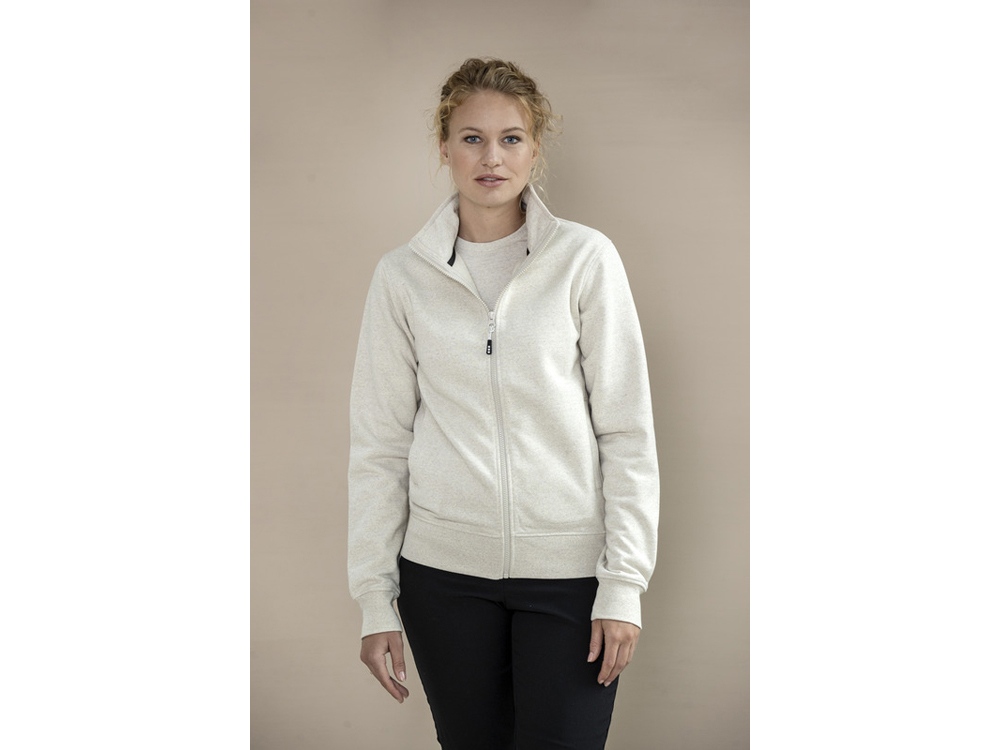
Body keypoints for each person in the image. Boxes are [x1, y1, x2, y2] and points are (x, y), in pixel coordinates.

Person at [348, 57, 659, 750]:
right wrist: (375, 598)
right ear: (444, 147)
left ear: (535, 148)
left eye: (511, 138)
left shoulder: (584, 259)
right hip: (442, 580)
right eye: (472, 138)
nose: (492, 157)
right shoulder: (402, 278)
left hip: (570, 577)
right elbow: (380, 444)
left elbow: (626, 432)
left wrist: (623, 584)